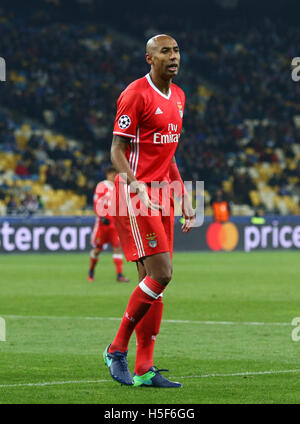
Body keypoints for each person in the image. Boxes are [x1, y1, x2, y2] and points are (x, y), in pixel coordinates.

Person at [103, 34, 195, 388]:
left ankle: (144, 368)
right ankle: (116, 349)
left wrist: (183, 195)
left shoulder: (180, 97)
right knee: (162, 273)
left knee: (152, 283)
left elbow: (167, 155)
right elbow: (116, 149)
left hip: (162, 195)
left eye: (175, 51)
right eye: (164, 51)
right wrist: (135, 182)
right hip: (134, 195)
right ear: (149, 58)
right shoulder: (135, 94)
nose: (173, 57)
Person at [88, 166, 130, 283]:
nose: (113, 176)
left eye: (115, 174)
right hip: (103, 224)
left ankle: (119, 275)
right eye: (112, 174)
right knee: (98, 249)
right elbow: (97, 202)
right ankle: (91, 270)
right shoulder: (102, 186)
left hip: (114, 224)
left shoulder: (119, 187)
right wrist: (101, 216)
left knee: (117, 248)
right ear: (107, 175)